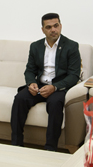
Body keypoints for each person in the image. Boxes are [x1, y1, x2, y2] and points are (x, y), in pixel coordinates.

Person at [10, 13, 81, 151]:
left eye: (56, 26)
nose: (53, 30)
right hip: (40, 85)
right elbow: (29, 70)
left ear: (60, 26)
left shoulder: (71, 46)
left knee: (55, 103)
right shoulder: (35, 46)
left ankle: (50, 148)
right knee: (19, 99)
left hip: (59, 86)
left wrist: (54, 87)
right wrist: (31, 83)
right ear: (43, 30)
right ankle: (16, 144)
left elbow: (74, 75)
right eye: (48, 27)